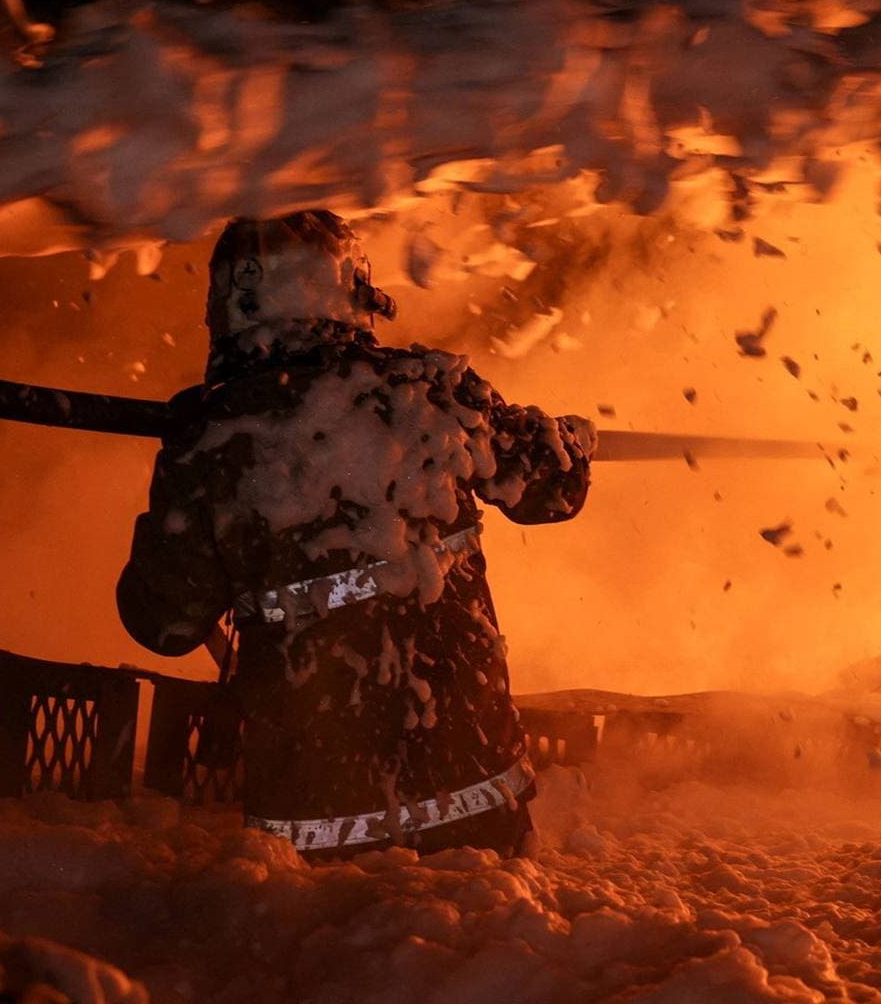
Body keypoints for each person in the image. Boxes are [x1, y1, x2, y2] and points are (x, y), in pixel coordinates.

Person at [117, 209, 594, 860]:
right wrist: (557, 442)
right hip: (480, 814)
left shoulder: (212, 440)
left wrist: (182, 482)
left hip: (316, 834)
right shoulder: (432, 392)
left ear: (230, 305)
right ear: (352, 289)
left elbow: (163, 622)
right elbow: (553, 493)